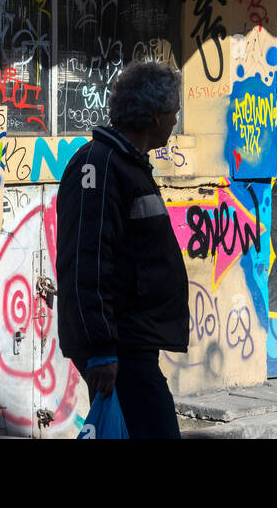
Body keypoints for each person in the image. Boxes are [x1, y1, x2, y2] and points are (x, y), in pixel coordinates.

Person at [56, 59, 189, 439]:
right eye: (173, 112)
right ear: (153, 115)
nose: (175, 121)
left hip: (131, 343)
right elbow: (87, 263)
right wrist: (101, 350)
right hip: (120, 345)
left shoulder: (127, 165)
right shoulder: (100, 166)